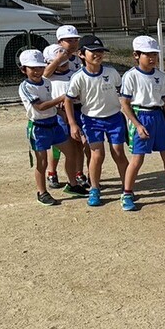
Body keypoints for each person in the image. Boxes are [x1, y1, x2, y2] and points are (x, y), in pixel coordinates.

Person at [118, 35, 165, 212]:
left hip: (158, 117)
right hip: (141, 115)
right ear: (136, 55)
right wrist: (137, 125)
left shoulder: (160, 76)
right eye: (147, 54)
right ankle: (127, 194)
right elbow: (124, 103)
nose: (152, 58)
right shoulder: (131, 76)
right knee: (138, 157)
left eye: (155, 55)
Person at [64, 34, 128, 207]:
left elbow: (122, 93)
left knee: (119, 153)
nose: (98, 54)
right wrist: (72, 124)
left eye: (100, 51)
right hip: (91, 120)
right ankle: (94, 189)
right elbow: (68, 100)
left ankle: (127, 189)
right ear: (81, 55)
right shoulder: (78, 77)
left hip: (114, 118)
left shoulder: (111, 72)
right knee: (97, 155)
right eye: (93, 51)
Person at [17, 48, 67, 207]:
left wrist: (59, 111)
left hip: (53, 122)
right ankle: (42, 192)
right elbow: (40, 107)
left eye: (40, 67)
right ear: (23, 70)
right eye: (33, 68)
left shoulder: (46, 82)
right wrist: (62, 98)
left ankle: (74, 183)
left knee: (71, 152)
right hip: (39, 127)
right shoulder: (25, 86)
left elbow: (49, 102)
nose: (38, 71)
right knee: (42, 161)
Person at [43, 25, 89, 196]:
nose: (73, 43)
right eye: (69, 40)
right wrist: (58, 59)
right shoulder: (52, 55)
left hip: (77, 108)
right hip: (57, 112)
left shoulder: (76, 59)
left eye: (75, 39)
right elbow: (44, 75)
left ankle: (78, 174)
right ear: (60, 41)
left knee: (78, 145)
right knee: (59, 146)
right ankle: (52, 173)